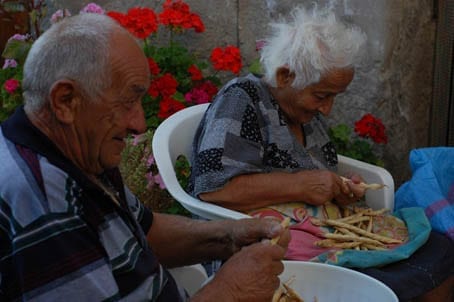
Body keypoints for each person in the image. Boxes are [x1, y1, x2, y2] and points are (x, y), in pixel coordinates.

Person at [0, 13, 290, 301]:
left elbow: (144, 231)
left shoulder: (76, 149)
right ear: (65, 101)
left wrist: (230, 236)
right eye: (128, 101)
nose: (138, 124)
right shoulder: (45, 204)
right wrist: (231, 291)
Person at [189, 6, 454, 302]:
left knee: (439, 250)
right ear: (285, 75)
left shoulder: (304, 114)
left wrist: (341, 188)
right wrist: (303, 184)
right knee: (378, 283)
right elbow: (213, 189)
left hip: (323, 234)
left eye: (334, 96)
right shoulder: (241, 101)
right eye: (322, 95)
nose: (327, 109)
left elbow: (317, 177)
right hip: (267, 245)